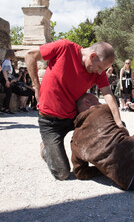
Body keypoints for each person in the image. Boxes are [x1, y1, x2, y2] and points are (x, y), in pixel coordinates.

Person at [25, 39, 125, 180]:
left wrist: (119, 122)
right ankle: (46, 147)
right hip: (50, 121)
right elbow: (30, 55)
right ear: (92, 56)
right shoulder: (65, 48)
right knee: (62, 173)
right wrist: (37, 87)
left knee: (104, 127)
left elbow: (107, 93)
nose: (99, 72)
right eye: (99, 67)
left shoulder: (98, 71)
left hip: (74, 117)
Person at [0, 49, 16, 114]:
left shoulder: (6, 61)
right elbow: (4, 71)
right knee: (8, 93)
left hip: (6, 78)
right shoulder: (7, 61)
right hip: (6, 78)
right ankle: (5, 108)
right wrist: (7, 80)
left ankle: (5, 107)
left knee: (8, 93)